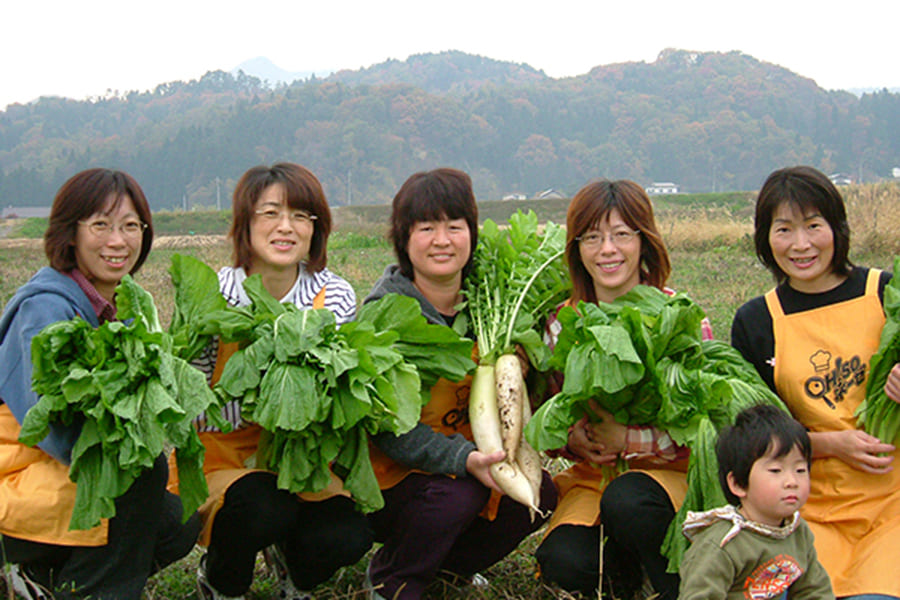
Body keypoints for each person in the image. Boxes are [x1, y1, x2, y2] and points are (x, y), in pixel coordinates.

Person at [171, 163, 372, 600]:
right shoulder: (216, 293)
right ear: (245, 224)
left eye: (301, 215)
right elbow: (191, 393)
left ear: (315, 228)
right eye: (270, 213)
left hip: (301, 453)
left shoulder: (333, 294)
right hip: (224, 453)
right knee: (262, 505)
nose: (286, 227)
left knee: (349, 533)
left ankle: (296, 578)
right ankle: (222, 580)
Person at [0, 168, 200, 599]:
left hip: (67, 480)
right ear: (70, 233)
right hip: (18, 481)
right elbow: (57, 431)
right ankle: (91, 590)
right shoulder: (46, 309)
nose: (118, 241)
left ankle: (45, 580)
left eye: (131, 226)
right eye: (101, 225)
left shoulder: (122, 306)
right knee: (141, 473)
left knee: (177, 521)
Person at [362, 168, 558, 600]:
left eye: (455, 226)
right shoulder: (384, 314)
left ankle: (447, 568)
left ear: (472, 233)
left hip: (476, 463)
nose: (443, 240)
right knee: (460, 494)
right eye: (427, 227)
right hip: (392, 479)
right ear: (404, 238)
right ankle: (391, 578)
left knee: (540, 494)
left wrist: (527, 364)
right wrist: (464, 458)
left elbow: (531, 404)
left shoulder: (494, 302)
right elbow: (389, 428)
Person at [534, 178, 713, 600]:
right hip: (595, 480)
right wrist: (573, 440)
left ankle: (678, 585)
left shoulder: (680, 316)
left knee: (630, 503)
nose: (607, 250)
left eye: (620, 235)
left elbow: (703, 426)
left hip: (668, 479)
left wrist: (629, 439)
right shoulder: (561, 322)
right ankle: (632, 572)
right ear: (577, 249)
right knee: (563, 562)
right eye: (592, 237)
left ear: (643, 241)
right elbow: (552, 414)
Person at [731, 165, 900, 600]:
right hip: (807, 504)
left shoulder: (885, 291)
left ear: (837, 228)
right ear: (765, 238)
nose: (801, 244)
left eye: (813, 226)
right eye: (784, 229)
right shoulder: (756, 320)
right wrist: (831, 444)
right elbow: (749, 435)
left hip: (894, 500)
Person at [679, 404, 834, 599]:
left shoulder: (797, 531)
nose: (792, 482)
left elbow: (813, 590)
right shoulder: (721, 544)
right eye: (776, 471)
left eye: (800, 470)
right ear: (738, 484)